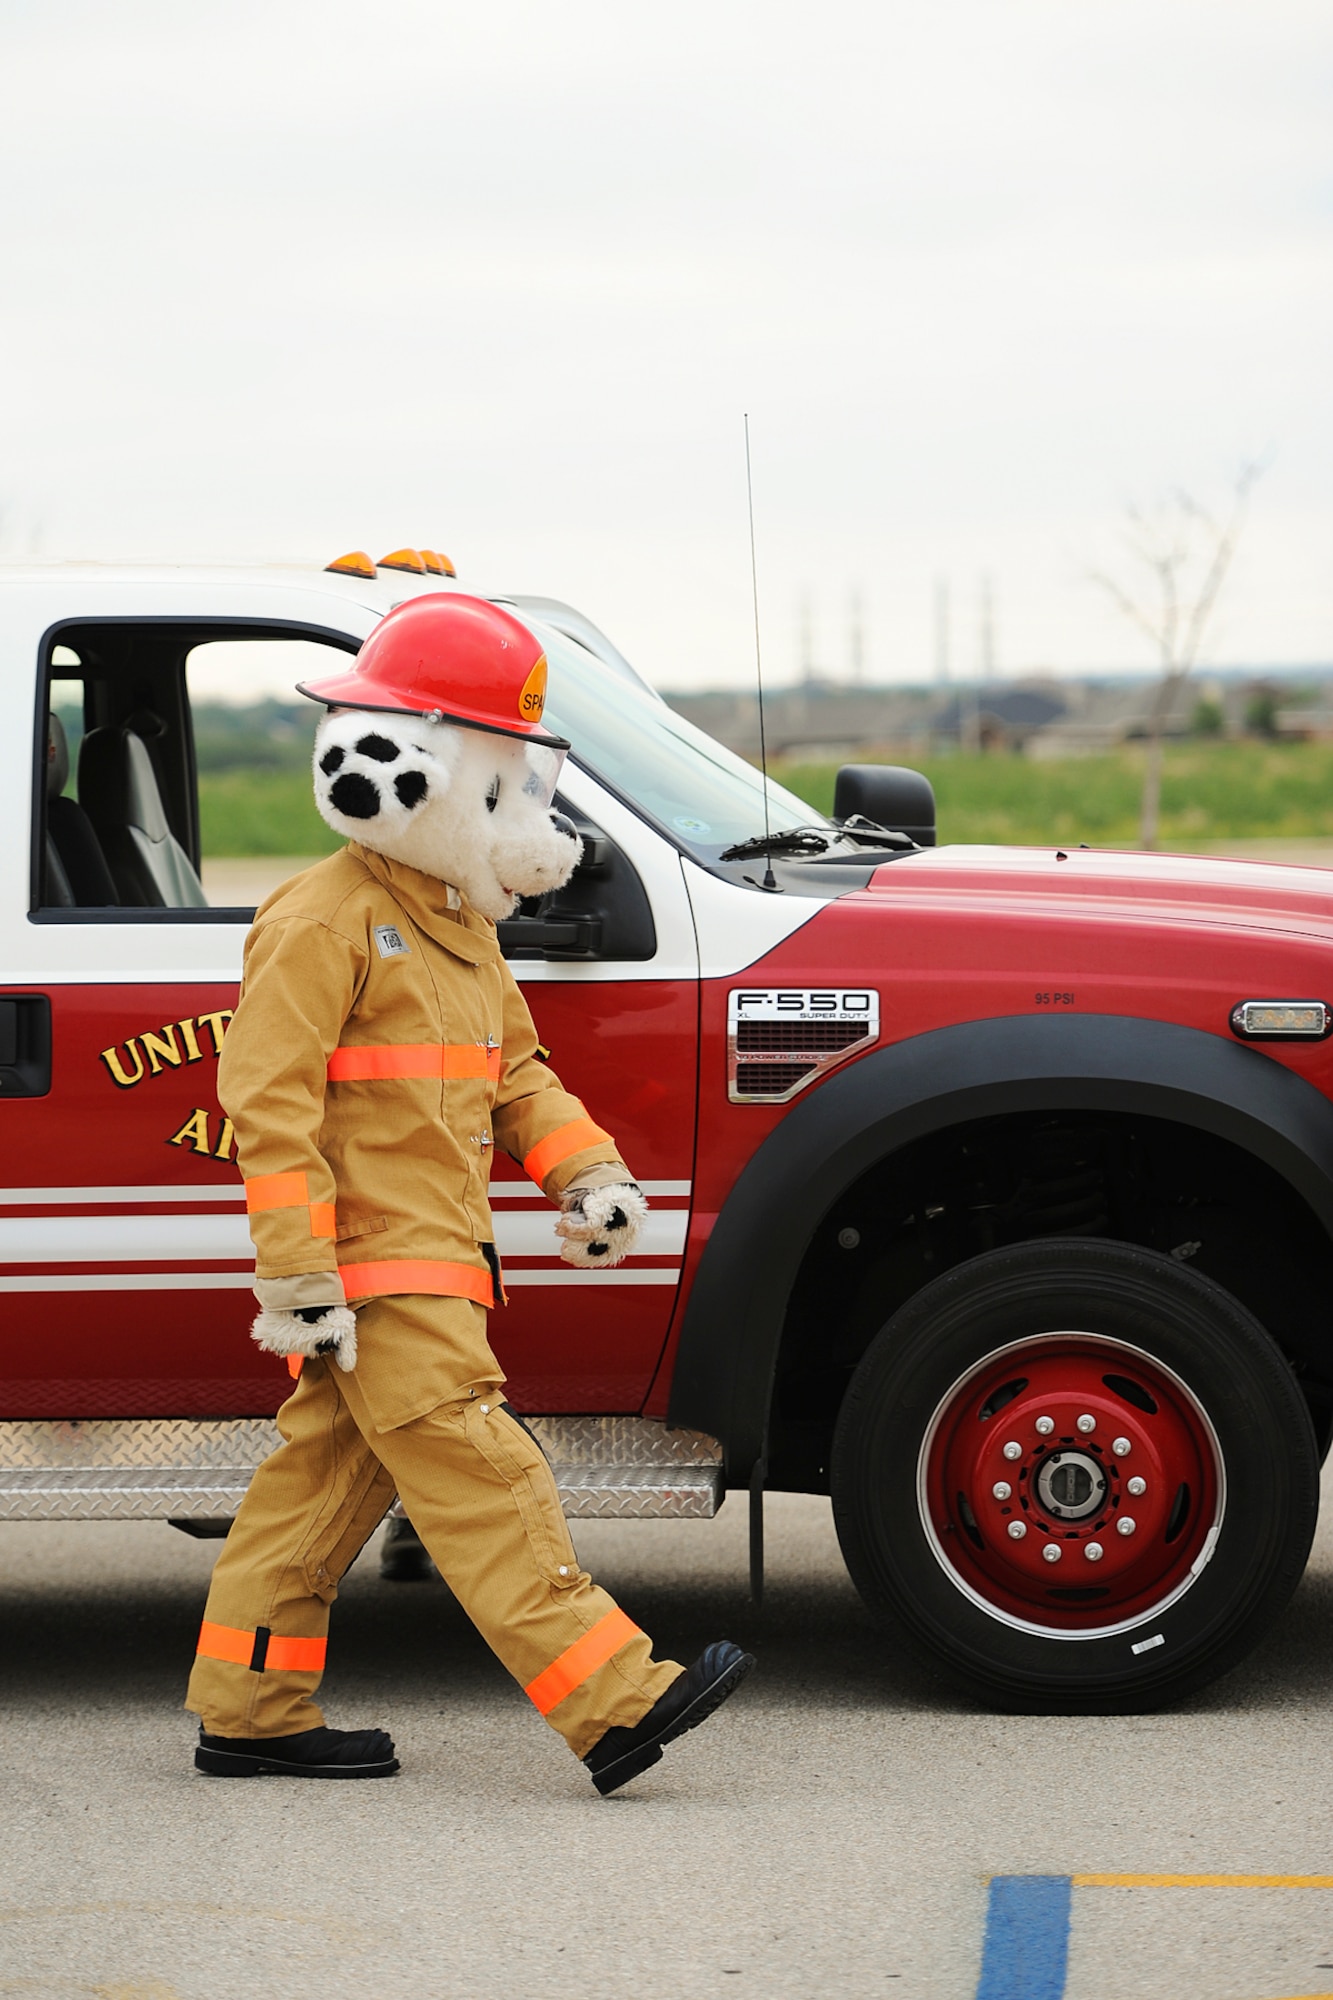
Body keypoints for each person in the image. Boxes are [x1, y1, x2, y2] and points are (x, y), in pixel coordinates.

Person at [184, 593, 753, 1792]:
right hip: (376, 1274)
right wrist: (296, 1278)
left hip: (429, 1263)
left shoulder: (456, 926)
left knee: (317, 1489)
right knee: (489, 1476)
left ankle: (248, 1704)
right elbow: (268, 1105)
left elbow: (519, 1077)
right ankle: (615, 1700)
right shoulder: (320, 921)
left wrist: (584, 1165)